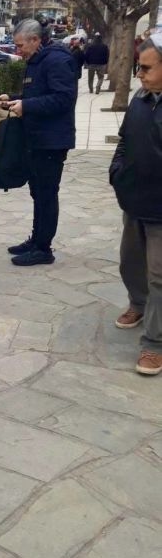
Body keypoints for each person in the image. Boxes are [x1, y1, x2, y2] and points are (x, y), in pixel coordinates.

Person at [0, 18, 77, 266]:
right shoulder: (36, 61)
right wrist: (14, 99)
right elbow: (38, 95)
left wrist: (26, 105)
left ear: (35, 40)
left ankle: (43, 248)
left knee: (46, 194)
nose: (17, 51)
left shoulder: (57, 60)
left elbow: (63, 99)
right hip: (35, 138)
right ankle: (36, 239)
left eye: (20, 45)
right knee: (37, 192)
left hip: (51, 141)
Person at [109, 34, 162, 376]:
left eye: (145, 68)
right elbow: (125, 140)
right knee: (130, 262)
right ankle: (138, 305)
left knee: (159, 275)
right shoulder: (140, 100)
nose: (139, 74)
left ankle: (154, 344)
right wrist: (117, 171)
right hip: (134, 201)